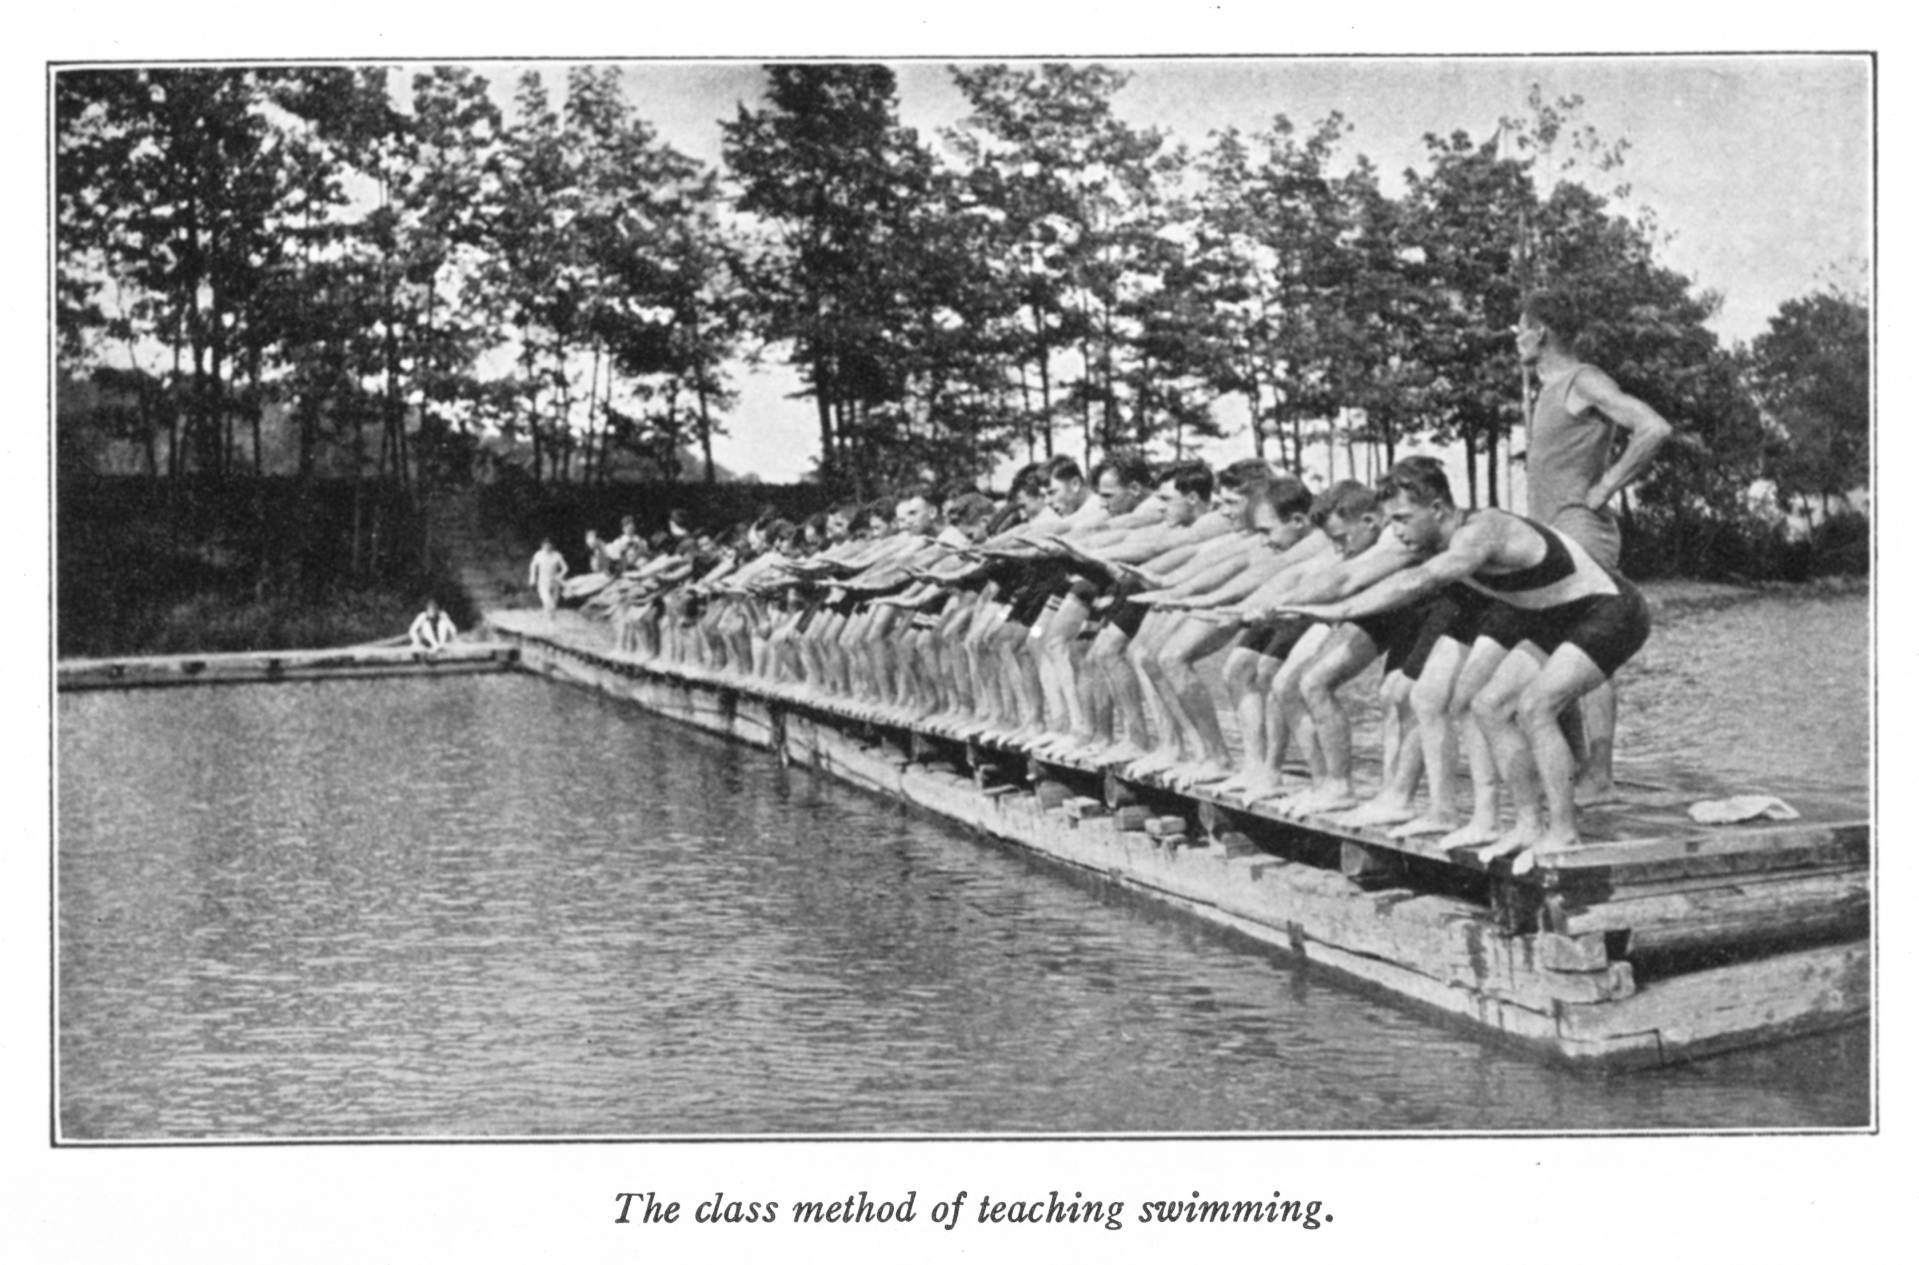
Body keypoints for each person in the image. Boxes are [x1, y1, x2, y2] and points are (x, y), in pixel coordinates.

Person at [1276, 457, 1650, 871]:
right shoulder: (1424, 538)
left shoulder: (1481, 531)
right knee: (1488, 706)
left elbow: (1422, 581)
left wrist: (1344, 610)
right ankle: (1526, 826)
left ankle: (1563, 833)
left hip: (1611, 610)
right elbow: (1349, 576)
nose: (1396, 531)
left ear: (1437, 508)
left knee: (1536, 708)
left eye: (1402, 518)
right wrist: (1284, 605)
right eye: (1391, 521)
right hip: (1554, 616)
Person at [1516, 289, 1672, 801]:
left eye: (1521, 327)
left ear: (1540, 332)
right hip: (1551, 536)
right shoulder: (1548, 387)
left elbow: (1652, 427)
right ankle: (1577, 769)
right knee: (1559, 653)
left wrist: (1605, 488)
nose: (1516, 338)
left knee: (1591, 649)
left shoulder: (1584, 380)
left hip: (1582, 531)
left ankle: (1600, 776)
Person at [528, 537, 568, 618]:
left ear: (552, 546)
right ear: (542, 546)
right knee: (548, 602)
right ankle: (547, 616)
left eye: (549, 546)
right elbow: (533, 566)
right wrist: (532, 578)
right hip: (543, 581)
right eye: (545, 546)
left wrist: (560, 575)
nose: (547, 548)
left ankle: (550, 622)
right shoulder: (538, 555)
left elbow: (565, 568)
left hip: (555, 581)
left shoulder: (557, 555)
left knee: (553, 605)